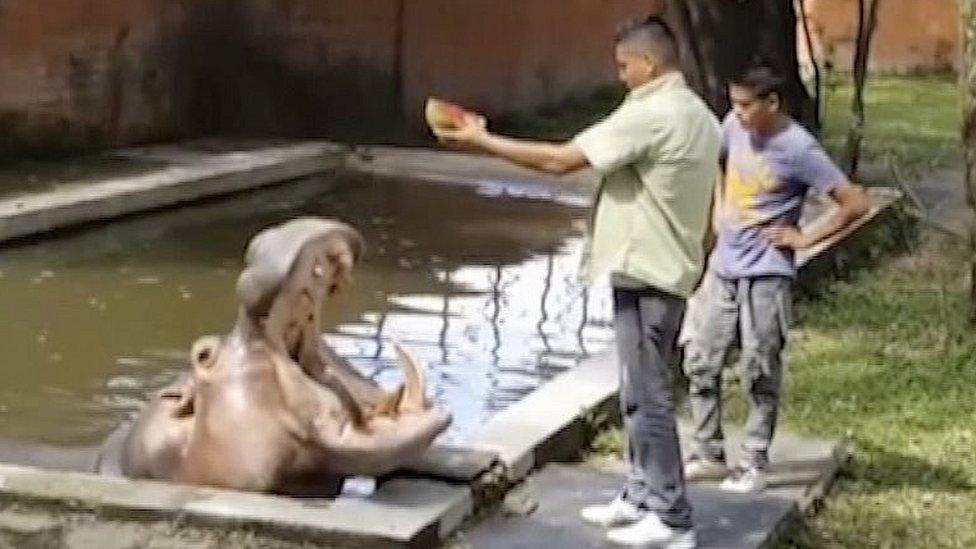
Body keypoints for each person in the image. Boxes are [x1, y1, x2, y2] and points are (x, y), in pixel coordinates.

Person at [435, 16, 719, 549]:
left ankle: (672, 515)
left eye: (623, 66)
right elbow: (709, 206)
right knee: (637, 390)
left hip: (651, 271)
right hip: (665, 266)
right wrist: (698, 258)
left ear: (649, 64)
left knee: (650, 394)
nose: (620, 76)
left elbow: (560, 160)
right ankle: (640, 494)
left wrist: (482, 141)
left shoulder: (654, 114)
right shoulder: (699, 114)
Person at [680, 66, 868, 493]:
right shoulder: (733, 126)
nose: (738, 114)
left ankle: (754, 460)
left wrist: (804, 238)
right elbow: (719, 164)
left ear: (772, 104)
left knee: (759, 366)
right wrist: (718, 213)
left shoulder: (798, 148)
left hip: (766, 272)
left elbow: (855, 203)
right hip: (724, 267)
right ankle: (707, 451)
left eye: (746, 106)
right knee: (701, 358)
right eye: (734, 104)